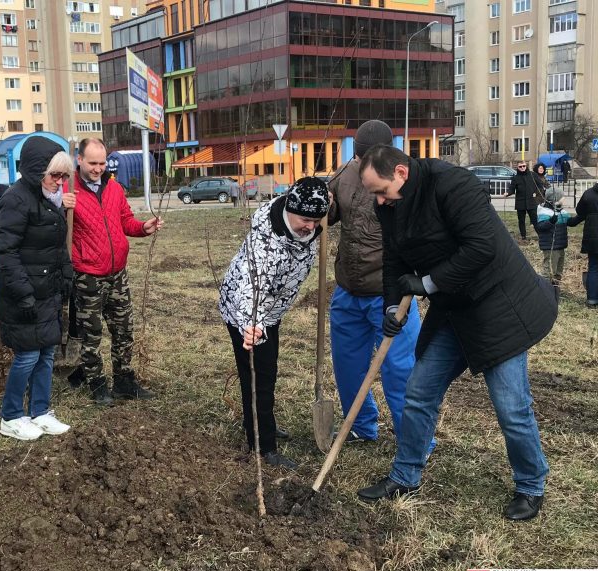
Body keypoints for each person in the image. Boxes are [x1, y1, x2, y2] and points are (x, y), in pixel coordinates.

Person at [357, 145, 557, 521]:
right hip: (453, 310)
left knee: (511, 406)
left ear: (401, 172)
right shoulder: (388, 206)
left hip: (499, 306)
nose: (379, 201)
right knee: (419, 392)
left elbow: (482, 246)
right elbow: (394, 259)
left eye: (381, 190)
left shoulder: (452, 184)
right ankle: (405, 475)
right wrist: (391, 304)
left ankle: (531, 485)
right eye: (374, 194)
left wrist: (428, 283)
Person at [326, 120, 431, 451]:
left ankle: (415, 439)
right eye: (357, 158)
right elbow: (328, 214)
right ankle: (360, 426)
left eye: (366, 159)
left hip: (390, 294)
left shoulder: (402, 181)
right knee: (348, 365)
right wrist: (321, 204)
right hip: (347, 290)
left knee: (401, 370)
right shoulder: (344, 175)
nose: (361, 166)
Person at [219, 177, 330, 470]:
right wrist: (250, 324)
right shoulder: (265, 244)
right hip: (246, 311)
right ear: (290, 210)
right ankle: (263, 446)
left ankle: (260, 421)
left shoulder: (308, 223)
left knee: (268, 371)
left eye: (317, 220)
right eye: (306, 219)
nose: (311, 226)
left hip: (271, 312)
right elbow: (250, 285)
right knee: (257, 377)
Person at [68, 138, 162, 406]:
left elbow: (125, 222)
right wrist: (61, 206)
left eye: (102, 163)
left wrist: (144, 227)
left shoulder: (114, 188)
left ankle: (123, 381)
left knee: (123, 331)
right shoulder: (69, 191)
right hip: (88, 275)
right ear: (80, 160)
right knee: (92, 334)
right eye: (93, 163)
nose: (99, 169)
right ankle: (97, 383)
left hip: (117, 273)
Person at [0, 136, 74, 440]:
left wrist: (66, 277)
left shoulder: (47, 201)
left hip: (48, 291)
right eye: (55, 175)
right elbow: (7, 252)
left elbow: (56, 249)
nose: (60, 182)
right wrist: (24, 292)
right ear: (36, 170)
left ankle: (40, 411)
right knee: (27, 355)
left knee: (47, 354)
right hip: (24, 294)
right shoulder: (16, 199)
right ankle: (11, 416)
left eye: (64, 176)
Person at [534, 186, 579, 286]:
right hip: (551, 246)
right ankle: (545, 287)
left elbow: (570, 222)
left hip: (560, 245)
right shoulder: (544, 212)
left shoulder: (561, 212)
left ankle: (556, 285)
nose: (564, 199)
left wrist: (580, 217)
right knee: (549, 268)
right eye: (561, 197)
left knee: (559, 267)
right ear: (555, 199)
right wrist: (550, 221)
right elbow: (540, 227)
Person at [569, 181, 598, 307]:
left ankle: (592, 300)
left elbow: (580, 211)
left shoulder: (588, 194)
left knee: (593, 267)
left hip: (592, 237)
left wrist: (568, 221)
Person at [503, 161, 540, 241]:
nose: (522, 168)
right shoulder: (515, 178)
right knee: (521, 220)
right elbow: (512, 189)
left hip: (531, 201)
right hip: (520, 202)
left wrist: (536, 193)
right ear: (518, 168)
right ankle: (523, 236)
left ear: (526, 166)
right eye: (520, 167)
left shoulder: (533, 175)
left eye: (524, 166)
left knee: (534, 220)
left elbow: (540, 186)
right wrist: (507, 193)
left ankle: (540, 235)